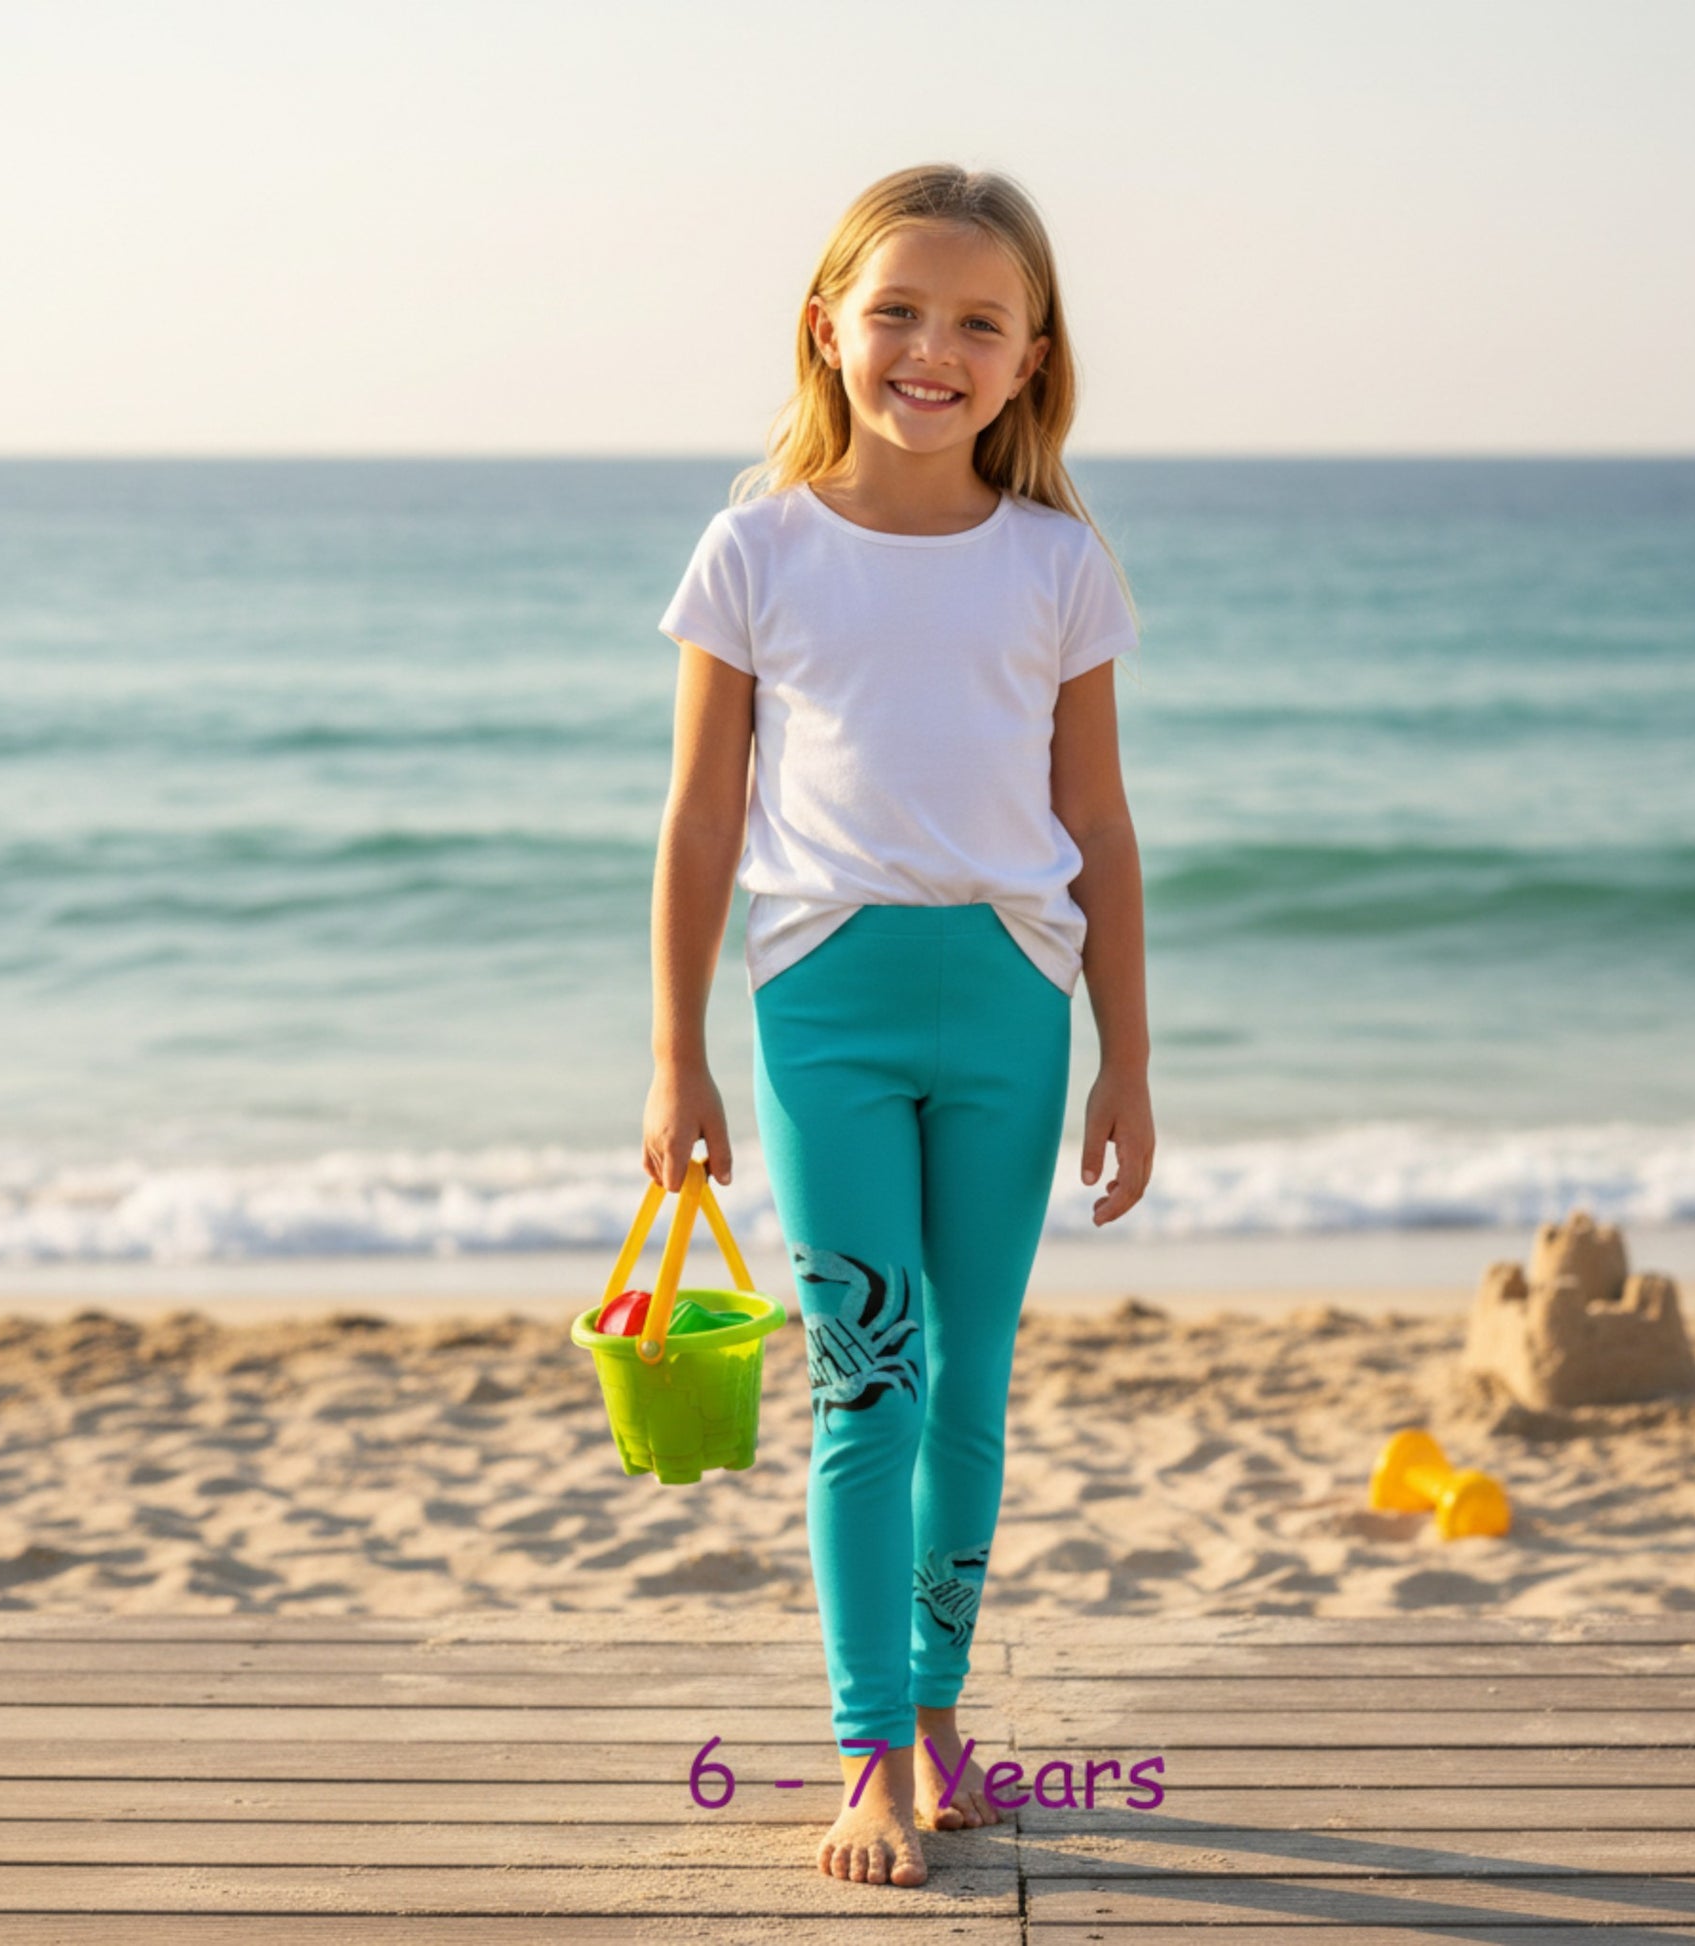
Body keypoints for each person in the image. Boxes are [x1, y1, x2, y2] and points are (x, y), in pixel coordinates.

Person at [645, 162, 1154, 1890]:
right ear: (828, 328)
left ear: (1029, 359)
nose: (932, 349)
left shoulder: (1057, 564)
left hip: (1012, 1006)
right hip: (824, 1007)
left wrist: (1129, 1060)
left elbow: (1098, 822)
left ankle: (941, 1717)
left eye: (977, 323)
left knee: (971, 1383)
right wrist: (674, 1050)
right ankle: (866, 1749)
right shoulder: (755, 551)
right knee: (871, 1376)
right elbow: (701, 817)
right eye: (899, 312)